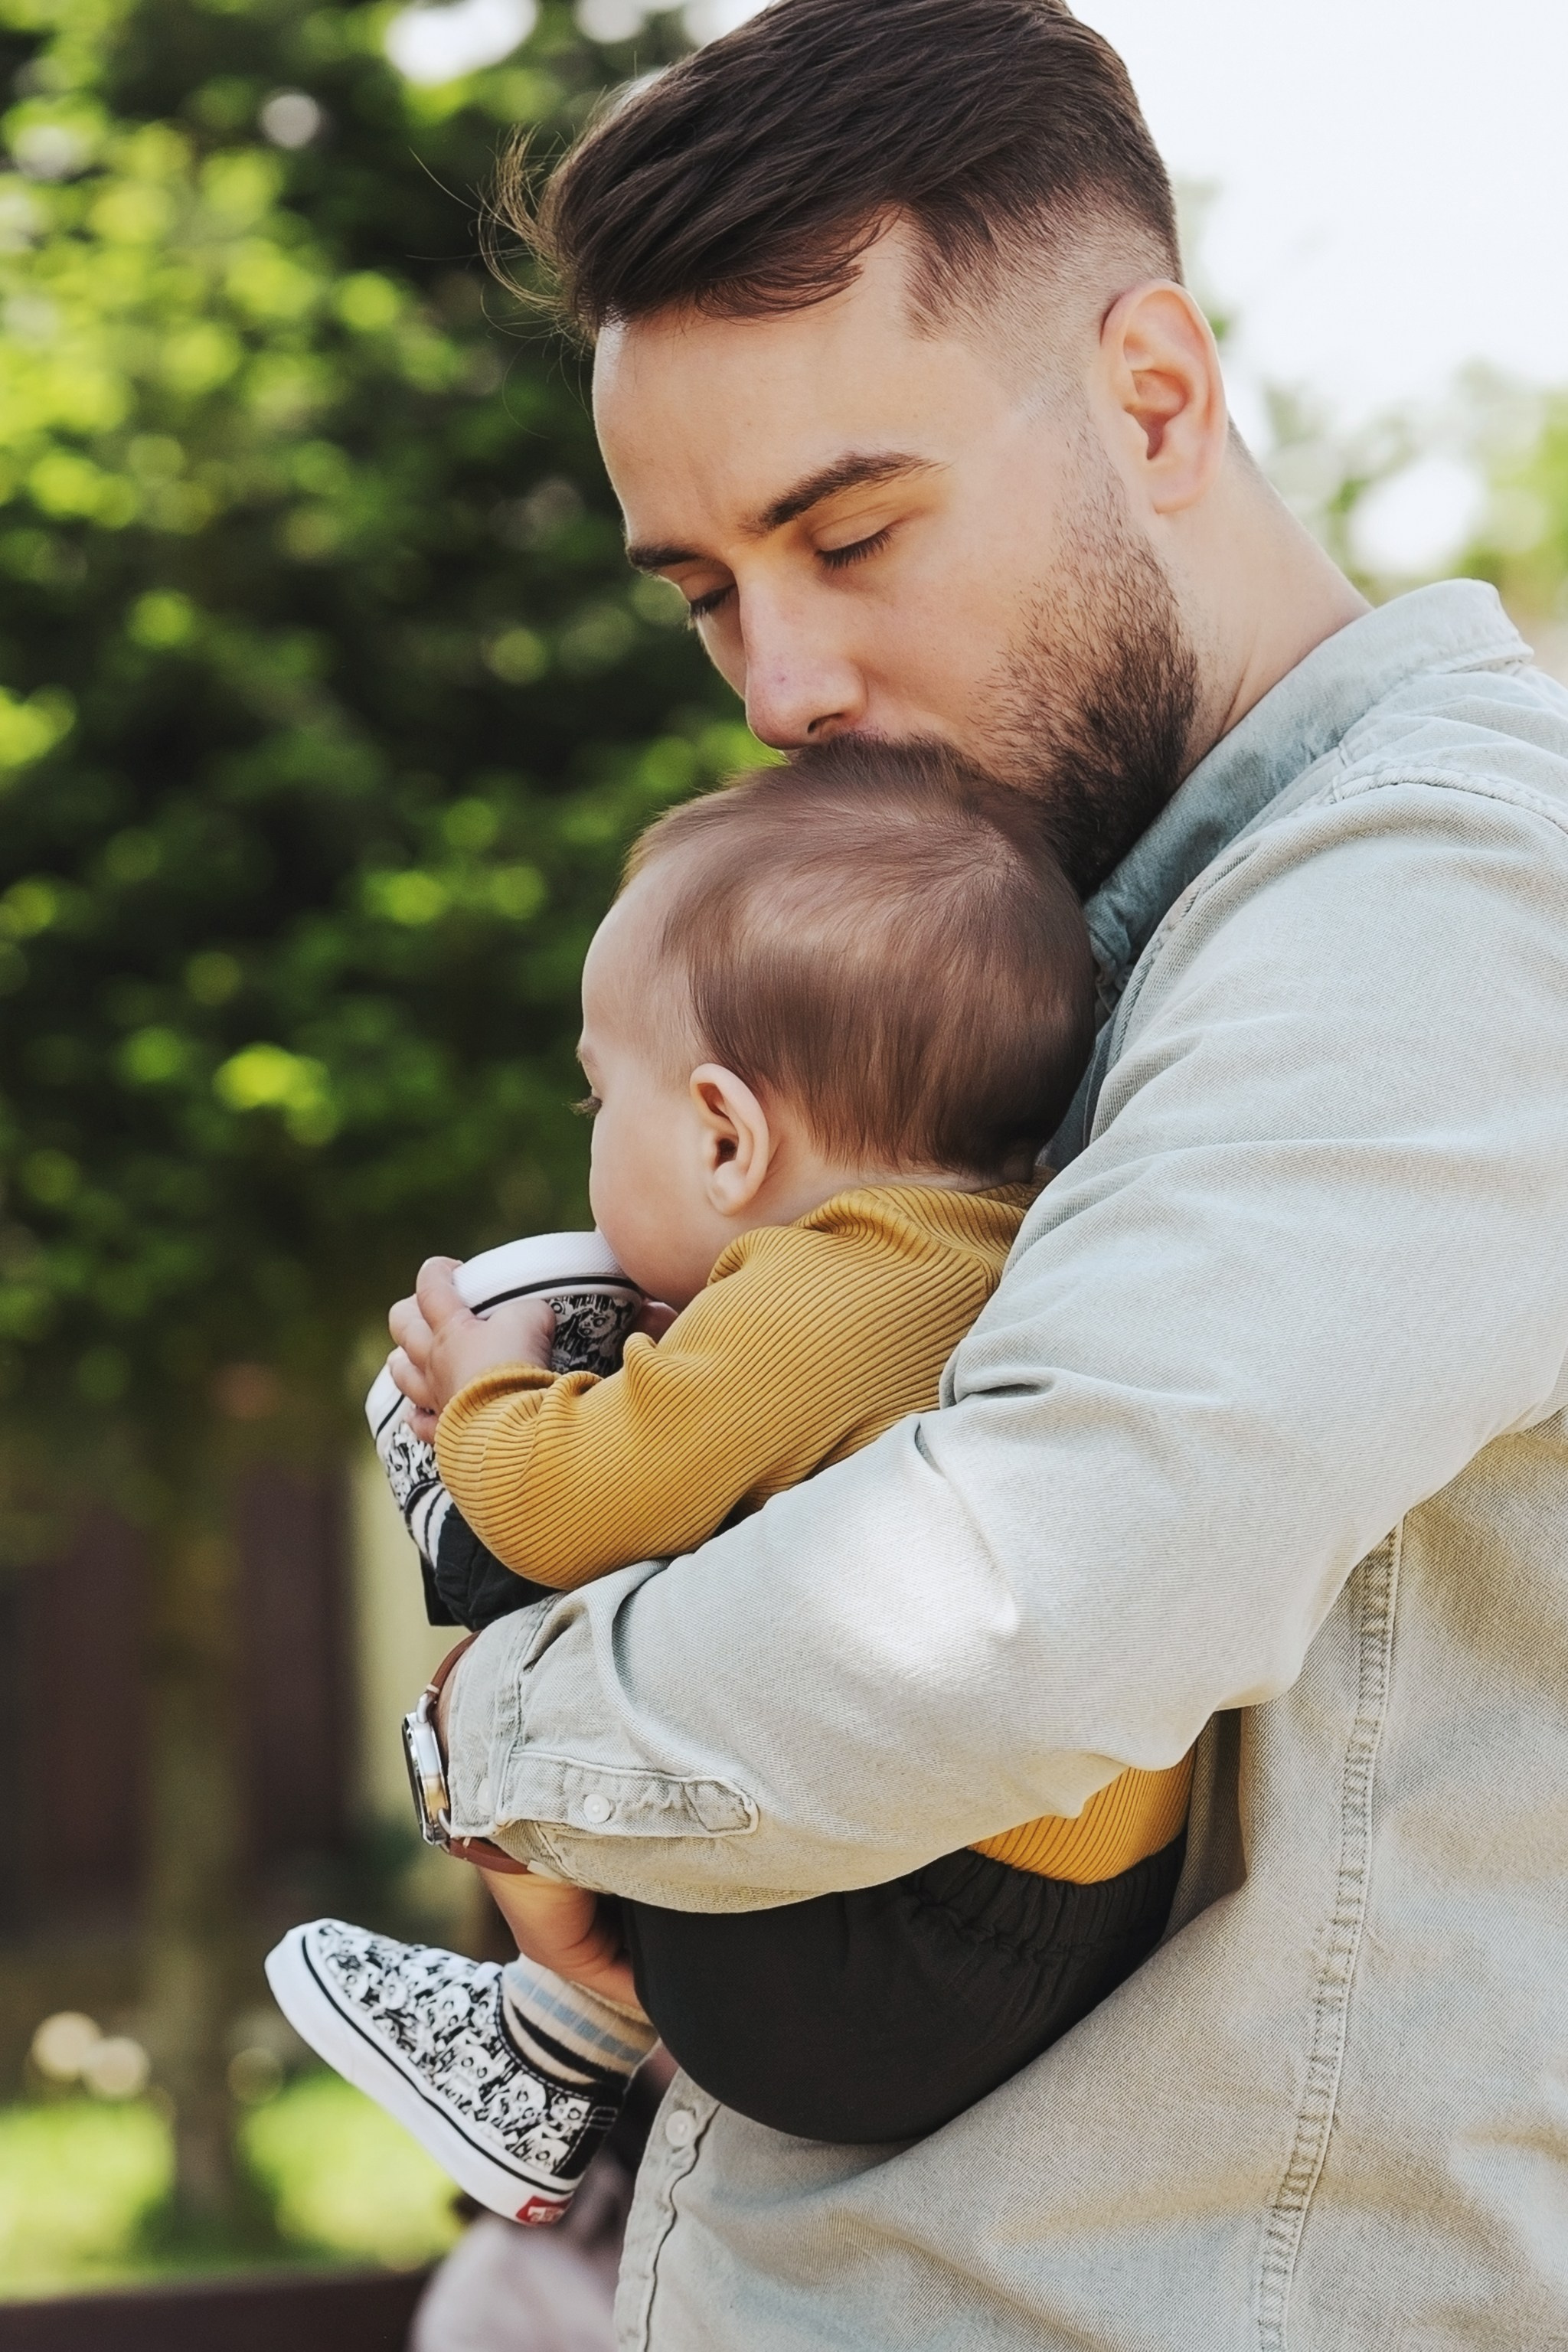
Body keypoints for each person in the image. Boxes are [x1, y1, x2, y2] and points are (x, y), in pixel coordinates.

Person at [420, 1, 1568, 2344]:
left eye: (848, 531)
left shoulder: (1433, 902)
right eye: (712, 589)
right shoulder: (1076, 937)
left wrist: (502, 1746)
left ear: (1156, 394)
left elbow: (1010, 1613)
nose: (783, 682)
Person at [270, 748, 1193, 2220]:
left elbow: (577, 1502)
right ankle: (548, 2050)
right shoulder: (987, 1258)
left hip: (869, 1969)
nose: (590, 1145)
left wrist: (488, 1395)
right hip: (1032, 1928)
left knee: (542, 1578)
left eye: (598, 1104)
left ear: (723, 1133)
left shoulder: (822, 1296)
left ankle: (541, 2045)